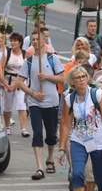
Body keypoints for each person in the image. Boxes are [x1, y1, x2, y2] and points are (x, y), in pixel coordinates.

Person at [59, 65, 102, 191]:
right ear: (72, 81)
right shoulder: (70, 98)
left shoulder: (96, 94)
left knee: (101, 179)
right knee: (77, 174)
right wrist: (62, 147)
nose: (81, 80)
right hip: (79, 140)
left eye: (83, 77)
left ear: (88, 78)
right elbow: (66, 123)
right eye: (78, 78)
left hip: (98, 141)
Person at [16, 31, 65, 180]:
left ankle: (49, 158)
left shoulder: (53, 58)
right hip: (35, 102)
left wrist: (47, 77)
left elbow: (62, 78)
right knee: (37, 133)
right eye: (33, 40)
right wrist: (33, 93)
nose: (35, 42)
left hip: (51, 102)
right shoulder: (29, 61)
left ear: (45, 41)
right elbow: (19, 81)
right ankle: (39, 168)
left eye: (38, 39)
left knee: (51, 135)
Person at [2, 32, 29, 137]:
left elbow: (27, 69)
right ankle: (7, 126)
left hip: (21, 82)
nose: (13, 43)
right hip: (8, 80)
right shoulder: (7, 52)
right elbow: (2, 67)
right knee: (8, 105)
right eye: (11, 41)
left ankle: (24, 128)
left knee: (21, 105)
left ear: (20, 42)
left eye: (15, 41)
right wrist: (4, 83)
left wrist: (18, 83)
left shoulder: (25, 53)